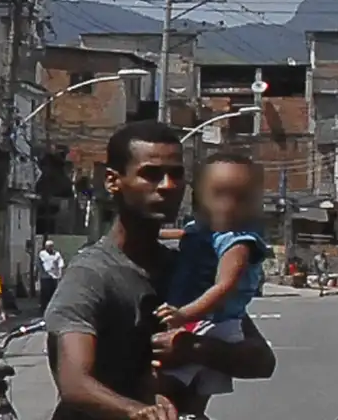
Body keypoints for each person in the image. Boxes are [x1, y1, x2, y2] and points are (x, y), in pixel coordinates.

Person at [45, 120, 276, 420]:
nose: (167, 186)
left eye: (176, 175)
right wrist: (141, 412)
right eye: (151, 175)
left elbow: (261, 360)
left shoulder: (189, 265)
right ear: (114, 181)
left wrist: (193, 348)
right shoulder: (91, 275)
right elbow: (75, 384)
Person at [154, 151, 269, 417]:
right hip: (207, 320)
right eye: (219, 194)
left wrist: (184, 314)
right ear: (200, 198)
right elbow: (184, 234)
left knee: (163, 383)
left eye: (241, 198)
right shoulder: (204, 229)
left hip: (214, 324)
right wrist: (155, 232)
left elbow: (224, 286)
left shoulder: (238, 242)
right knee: (194, 392)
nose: (229, 205)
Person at [39, 238, 65, 310]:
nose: (49, 247)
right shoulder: (42, 254)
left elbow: (61, 264)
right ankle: (43, 308)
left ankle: (52, 308)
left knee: (53, 293)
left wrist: (60, 274)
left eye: (50, 246)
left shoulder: (57, 254)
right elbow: (39, 264)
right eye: (47, 246)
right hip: (45, 276)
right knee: (44, 293)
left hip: (54, 276)